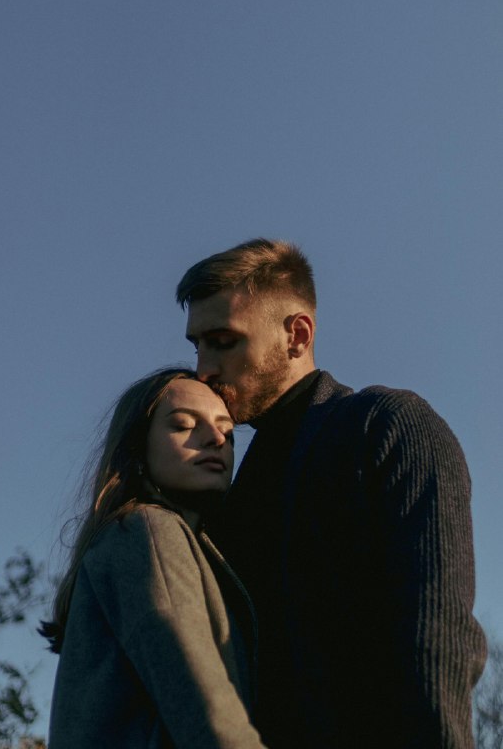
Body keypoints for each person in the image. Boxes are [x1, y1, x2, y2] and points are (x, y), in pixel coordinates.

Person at [176, 238, 487, 749]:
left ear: (297, 335)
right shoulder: (229, 490)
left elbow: (436, 636)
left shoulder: (386, 426)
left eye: (224, 341)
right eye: (197, 346)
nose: (203, 369)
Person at [41, 368, 267, 749]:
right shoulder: (147, 528)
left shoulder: (164, 541)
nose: (216, 439)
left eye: (227, 432)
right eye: (184, 426)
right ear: (137, 450)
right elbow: (205, 710)